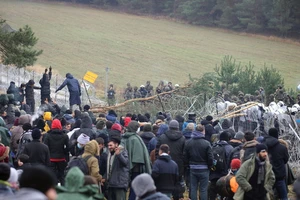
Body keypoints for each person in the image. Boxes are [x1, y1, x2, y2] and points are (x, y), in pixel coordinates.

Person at [121, 120, 152, 200]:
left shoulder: (125, 137)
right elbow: (138, 157)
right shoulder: (135, 139)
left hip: (127, 168)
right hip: (136, 170)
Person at [156, 120, 185, 200]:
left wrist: (158, 161)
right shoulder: (182, 138)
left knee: (164, 185)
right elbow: (184, 153)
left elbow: (157, 151)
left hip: (163, 165)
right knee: (177, 184)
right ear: (178, 127)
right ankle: (177, 197)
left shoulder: (162, 137)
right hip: (178, 165)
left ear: (169, 127)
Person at [184, 124, 213, 200]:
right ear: (203, 131)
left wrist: (187, 165)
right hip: (204, 168)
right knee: (203, 189)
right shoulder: (206, 143)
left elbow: (185, 156)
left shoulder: (188, 143)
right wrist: (210, 166)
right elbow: (210, 157)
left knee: (193, 188)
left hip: (193, 168)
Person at [263, 128, 289, 200]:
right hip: (279, 175)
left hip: (267, 176)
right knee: (283, 196)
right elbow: (286, 160)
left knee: (267, 196)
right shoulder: (282, 148)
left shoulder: (264, 146)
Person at [44, 119, 69, 185]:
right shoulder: (65, 136)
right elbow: (68, 147)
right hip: (61, 158)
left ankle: (53, 189)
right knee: (62, 175)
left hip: (51, 158)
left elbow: (45, 147)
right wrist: (64, 152)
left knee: (52, 175)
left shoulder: (48, 135)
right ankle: (64, 189)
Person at [209, 131, 233, 200]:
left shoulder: (214, 145)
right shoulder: (230, 148)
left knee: (213, 189)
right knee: (223, 190)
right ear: (228, 138)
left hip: (214, 171)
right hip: (224, 173)